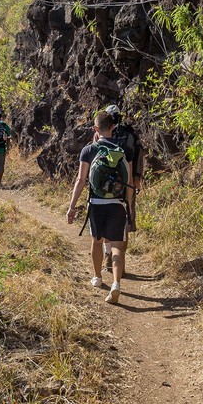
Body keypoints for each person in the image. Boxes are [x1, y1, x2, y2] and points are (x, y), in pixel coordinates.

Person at [67, 109, 132, 304]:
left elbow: (81, 180)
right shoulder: (123, 150)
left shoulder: (89, 150)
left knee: (97, 240)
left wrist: (72, 206)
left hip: (96, 202)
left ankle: (97, 277)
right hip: (118, 203)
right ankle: (116, 283)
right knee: (117, 246)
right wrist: (128, 206)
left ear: (96, 128)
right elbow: (128, 182)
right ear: (113, 127)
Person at [102, 102, 144, 279]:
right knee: (124, 219)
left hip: (106, 185)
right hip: (127, 184)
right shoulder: (130, 134)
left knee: (106, 218)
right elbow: (138, 156)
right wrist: (137, 179)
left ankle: (108, 258)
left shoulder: (102, 133)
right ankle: (120, 264)